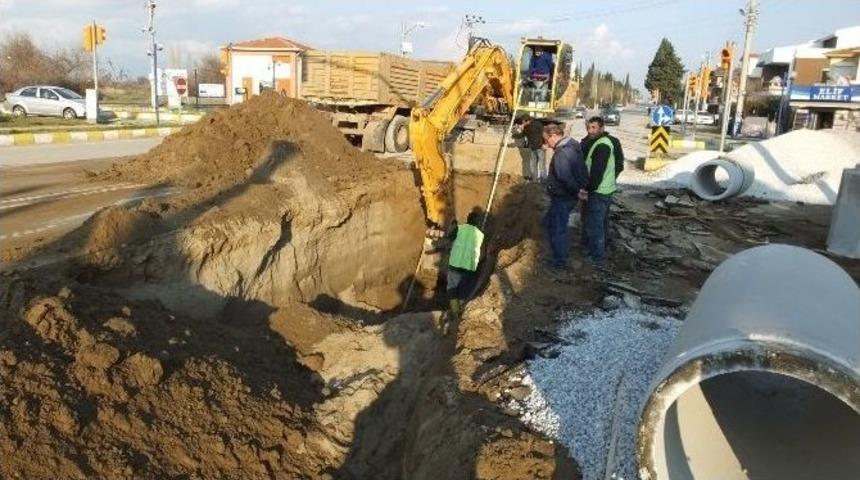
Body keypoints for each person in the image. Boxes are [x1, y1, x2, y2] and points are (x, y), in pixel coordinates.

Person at [542, 122, 589, 272]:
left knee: (558, 228)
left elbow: (564, 176)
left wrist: (577, 190)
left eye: (546, 140)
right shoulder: (573, 146)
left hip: (563, 196)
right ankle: (558, 255)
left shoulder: (561, 153)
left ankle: (559, 262)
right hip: (568, 195)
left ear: (553, 136)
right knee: (549, 222)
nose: (546, 144)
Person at [581, 116, 618, 266]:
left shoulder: (602, 146)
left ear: (602, 128)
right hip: (604, 189)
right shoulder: (601, 142)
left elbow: (597, 173)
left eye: (594, 128)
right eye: (589, 128)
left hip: (599, 191)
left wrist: (587, 189)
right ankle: (597, 252)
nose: (590, 131)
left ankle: (597, 257)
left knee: (595, 225)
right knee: (600, 223)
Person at [446, 208, 485, 320]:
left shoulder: (459, 228)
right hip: (469, 268)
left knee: (452, 289)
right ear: (478, 222)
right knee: (464, 291)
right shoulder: (480, 235)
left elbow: (449, 237)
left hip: (455, 265)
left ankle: (455, 314)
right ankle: (463, 315)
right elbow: (482, 253)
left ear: (467, 220)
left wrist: (452, 226)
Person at [513, 115, 546, 181]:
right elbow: (521, 135)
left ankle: (543, 180)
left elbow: (544, 133)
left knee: (541, 165)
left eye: (523, 122)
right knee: (534, 165)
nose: (523, 124)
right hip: (533, 148)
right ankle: (535, 180)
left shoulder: (537, 124)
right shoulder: (527, 127)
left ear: (527, 121)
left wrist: (545, 143)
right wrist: (515, 134)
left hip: (540, 148)